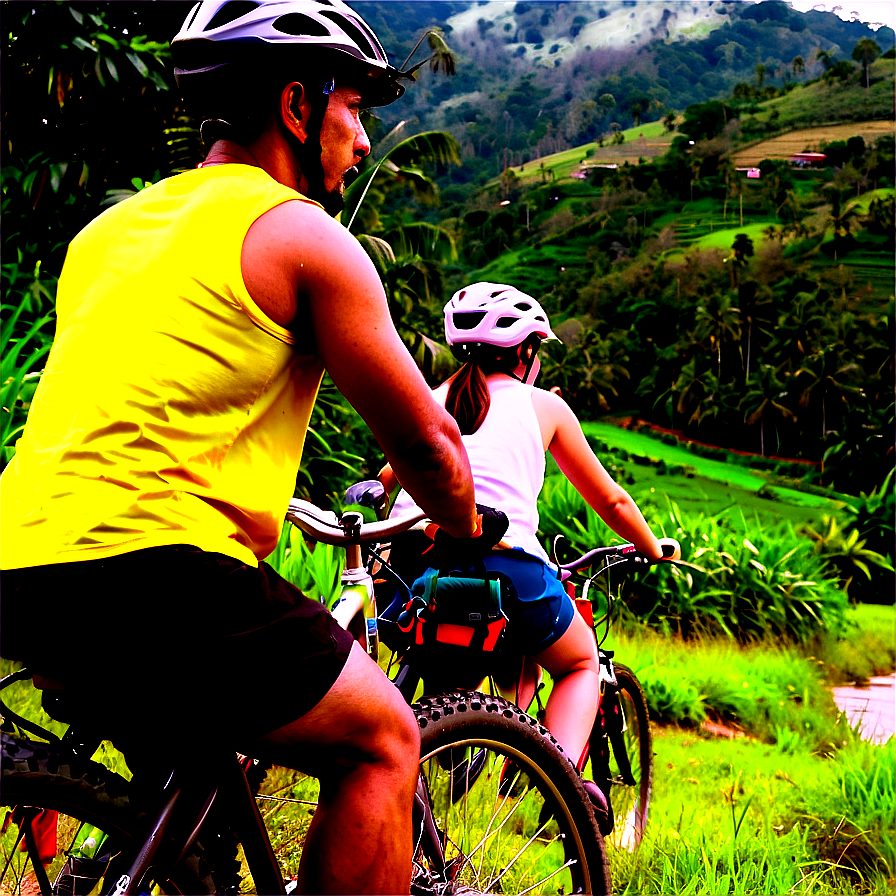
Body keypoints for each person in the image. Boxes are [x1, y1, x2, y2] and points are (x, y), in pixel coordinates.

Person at [0, 3, 506, 893]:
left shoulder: (103, 236)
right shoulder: (304, 235)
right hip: (157, 570)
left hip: (21, 560)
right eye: (354, 106)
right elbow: (428, 444)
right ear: (297, 106)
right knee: (385, 741)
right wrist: (466, 529)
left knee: (193, 797)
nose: (359, 137)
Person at [380, 281, 680, 806]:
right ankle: (561, 792)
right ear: (525, 352)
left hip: (405, 566)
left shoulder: (427, 399)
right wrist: (654, 548)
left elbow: (389, 475)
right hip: (501, 558)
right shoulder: (545, 408)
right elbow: (612, 503)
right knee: (580, 663)